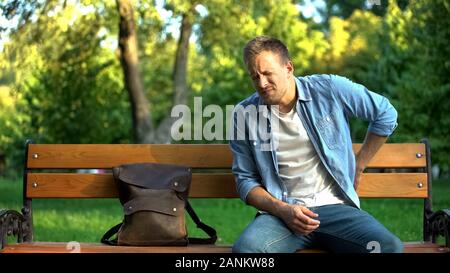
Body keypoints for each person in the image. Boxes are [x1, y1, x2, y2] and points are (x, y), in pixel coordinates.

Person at [229, 36, 403, 253]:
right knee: (246, 252)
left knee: (387, 247)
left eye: (267, 74)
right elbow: (245, 180)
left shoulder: (328, 89)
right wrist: (283, 210)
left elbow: (385, 114)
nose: (262, 83)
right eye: (255, 77)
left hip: (336, 208)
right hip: (282, 216)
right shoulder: (245, 114)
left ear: (288, 68)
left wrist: (359, 164)